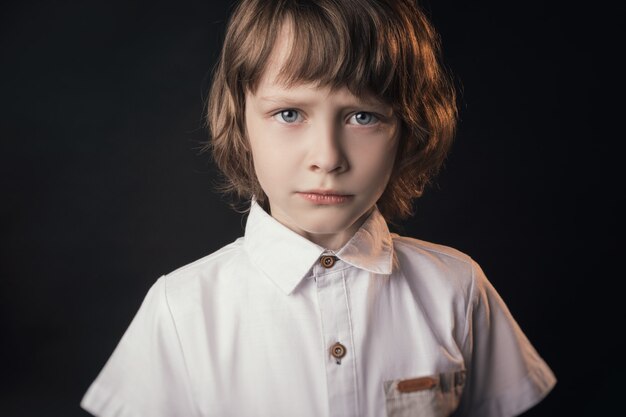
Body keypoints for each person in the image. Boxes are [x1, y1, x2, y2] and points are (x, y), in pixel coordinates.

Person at [80, 0, 556, 416]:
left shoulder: (457, 287)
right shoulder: (181, 308)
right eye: (289, 114)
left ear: (407, 129)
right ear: (240, 121)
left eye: (362, 116)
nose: (327, 157)